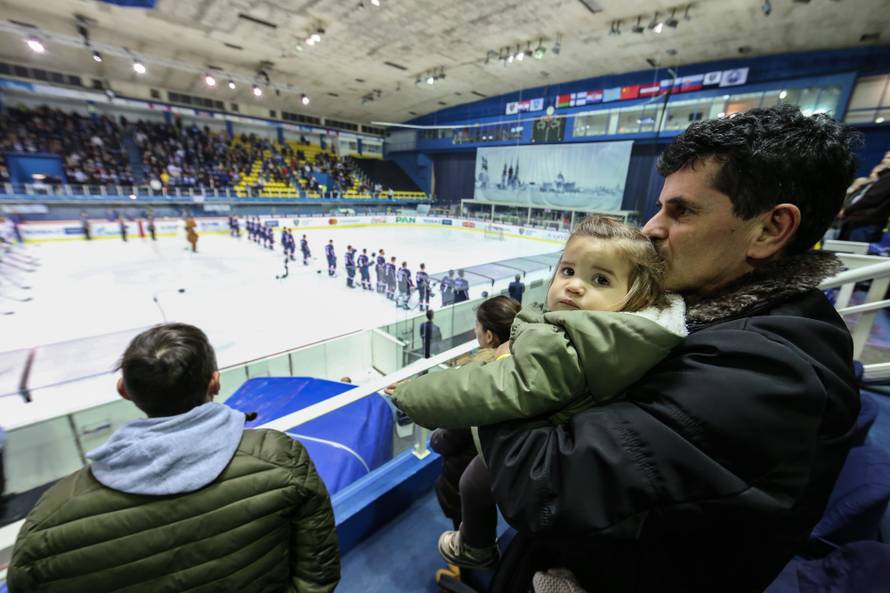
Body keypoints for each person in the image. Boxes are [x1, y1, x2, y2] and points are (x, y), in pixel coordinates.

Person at [474, 105, 861, 592]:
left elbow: (542, 482)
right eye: (660, 206)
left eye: (681, 211)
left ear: (769, 230)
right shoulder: (715, 317)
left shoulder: (769, 371)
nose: (651, 228)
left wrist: (504, 364)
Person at [392, 217, 686, 569]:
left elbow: (485, 388)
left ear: (634, 297)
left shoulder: (568, 347)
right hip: (570, 465)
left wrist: (412, 393)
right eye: (568, 271)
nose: (575, 286)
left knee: (472, 481)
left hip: (543, 468)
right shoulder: (626, 341)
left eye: (600, 279)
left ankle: (475, 549)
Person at [7, 323, 340, 593]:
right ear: (215, 381)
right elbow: (317, 572)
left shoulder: (51, 517)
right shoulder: (280, 458)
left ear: (124, 390)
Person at [426, 297, 520, 535]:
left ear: (489, 336)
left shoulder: (476, 381)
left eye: (477, 326)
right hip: (500, 468)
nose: (473, 330)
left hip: (466, 471)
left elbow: (450, 437)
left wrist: (435, 440)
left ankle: (467, 563)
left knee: (467, 521)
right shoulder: (524, 363)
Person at [836, 155, 890, 243]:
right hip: (856, 222)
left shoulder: (887, 178)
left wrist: (846, 211)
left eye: (888, 158)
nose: (884, 160)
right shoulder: (877, 180)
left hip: (864, 223)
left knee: (853, 253)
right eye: (885, 157)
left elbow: (871, 199)